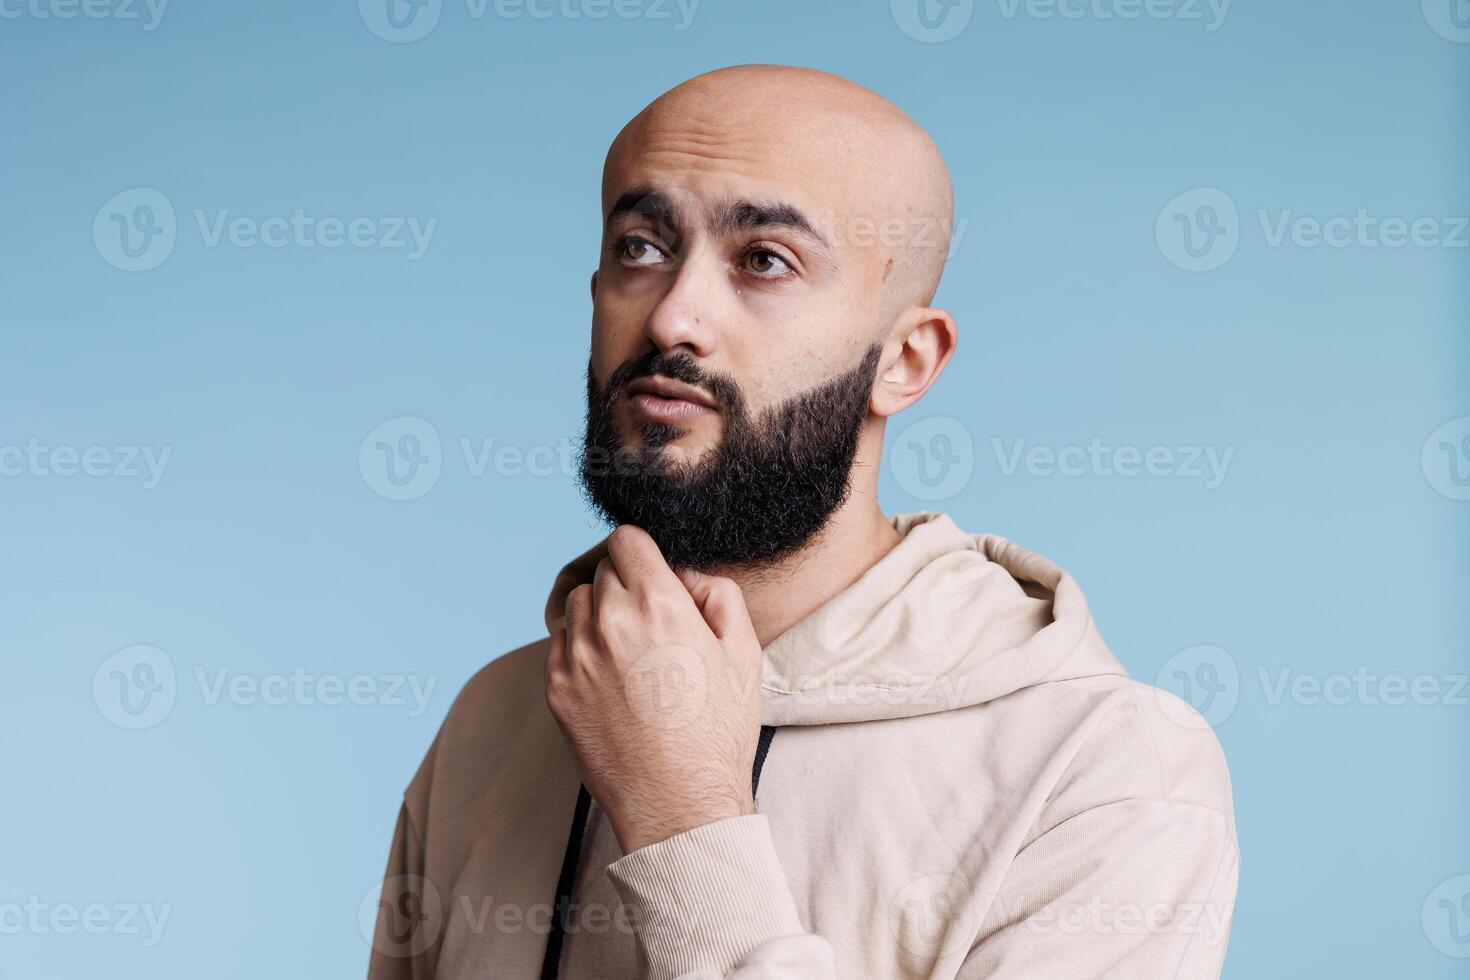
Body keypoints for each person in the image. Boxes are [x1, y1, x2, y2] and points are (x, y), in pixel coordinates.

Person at [366, 63, 1239, 980]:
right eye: (641, 246)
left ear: (904, 360)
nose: (674, 317)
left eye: (765, 260)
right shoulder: (497, 715)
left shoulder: (1109, 771)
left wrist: (684, 818)